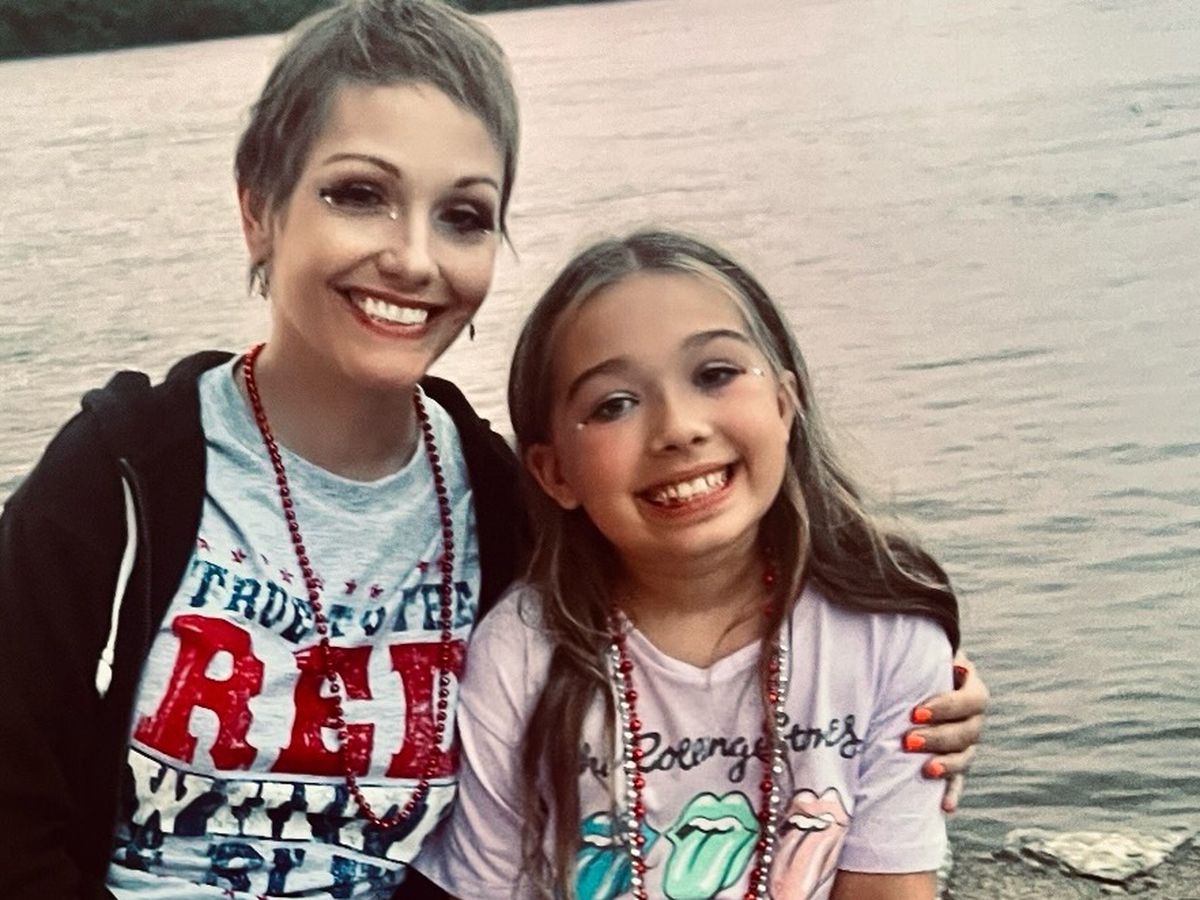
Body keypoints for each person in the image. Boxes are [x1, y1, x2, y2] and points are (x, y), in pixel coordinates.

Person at [0, 2, 984, 898]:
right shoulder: (124, 478)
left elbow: (680, 638)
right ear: (259, 207)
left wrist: (914, 689)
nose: (414, 257)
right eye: (358, 194)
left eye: (463, 216)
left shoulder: (504, 502)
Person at [416, 230, 968, 900]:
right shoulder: (519, 653)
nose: (678, 428)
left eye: (715, 374)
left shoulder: (888, 631)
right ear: (554, 472)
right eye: (614, 404)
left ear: (784, 404)